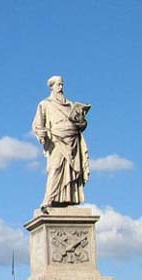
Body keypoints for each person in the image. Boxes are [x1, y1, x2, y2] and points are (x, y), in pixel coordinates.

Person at [32, 75, 90, 213]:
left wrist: (81, 118)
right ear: (51, 86)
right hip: (56, 139)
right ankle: (48, 200)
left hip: (72, 140)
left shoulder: (70, 105)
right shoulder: (45, 104)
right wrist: (41, 135)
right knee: (55, 168)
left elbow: (82, 125)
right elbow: (37, 124)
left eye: (62, 84)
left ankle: (69, 198)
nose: (61, 87)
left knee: (70, 170)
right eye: (58, 84)